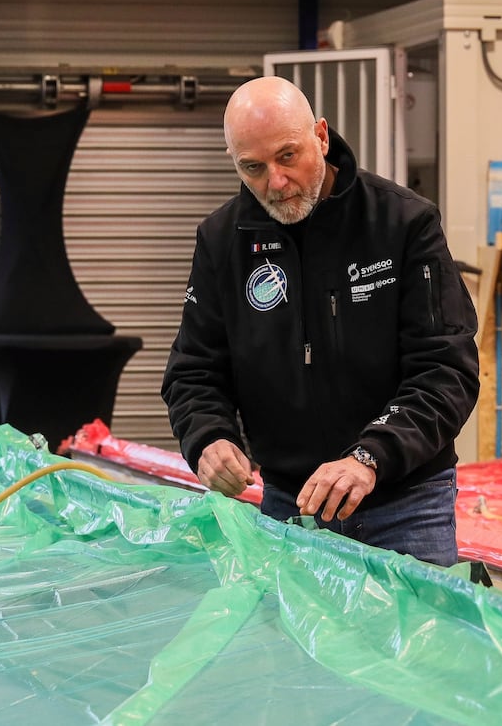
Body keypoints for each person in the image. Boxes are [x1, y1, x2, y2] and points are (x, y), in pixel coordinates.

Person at [162, 75, 479, 565]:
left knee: (414, 641)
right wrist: (208, 438)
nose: (275, 182)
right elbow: (194, 371)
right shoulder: (223, 240)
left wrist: (370, 457)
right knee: (293, 644)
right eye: (253, 167)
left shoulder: (402, 224)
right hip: (292, 506)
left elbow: (446, 371)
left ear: (322, 137)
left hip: (405, 503)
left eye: (288, 156)